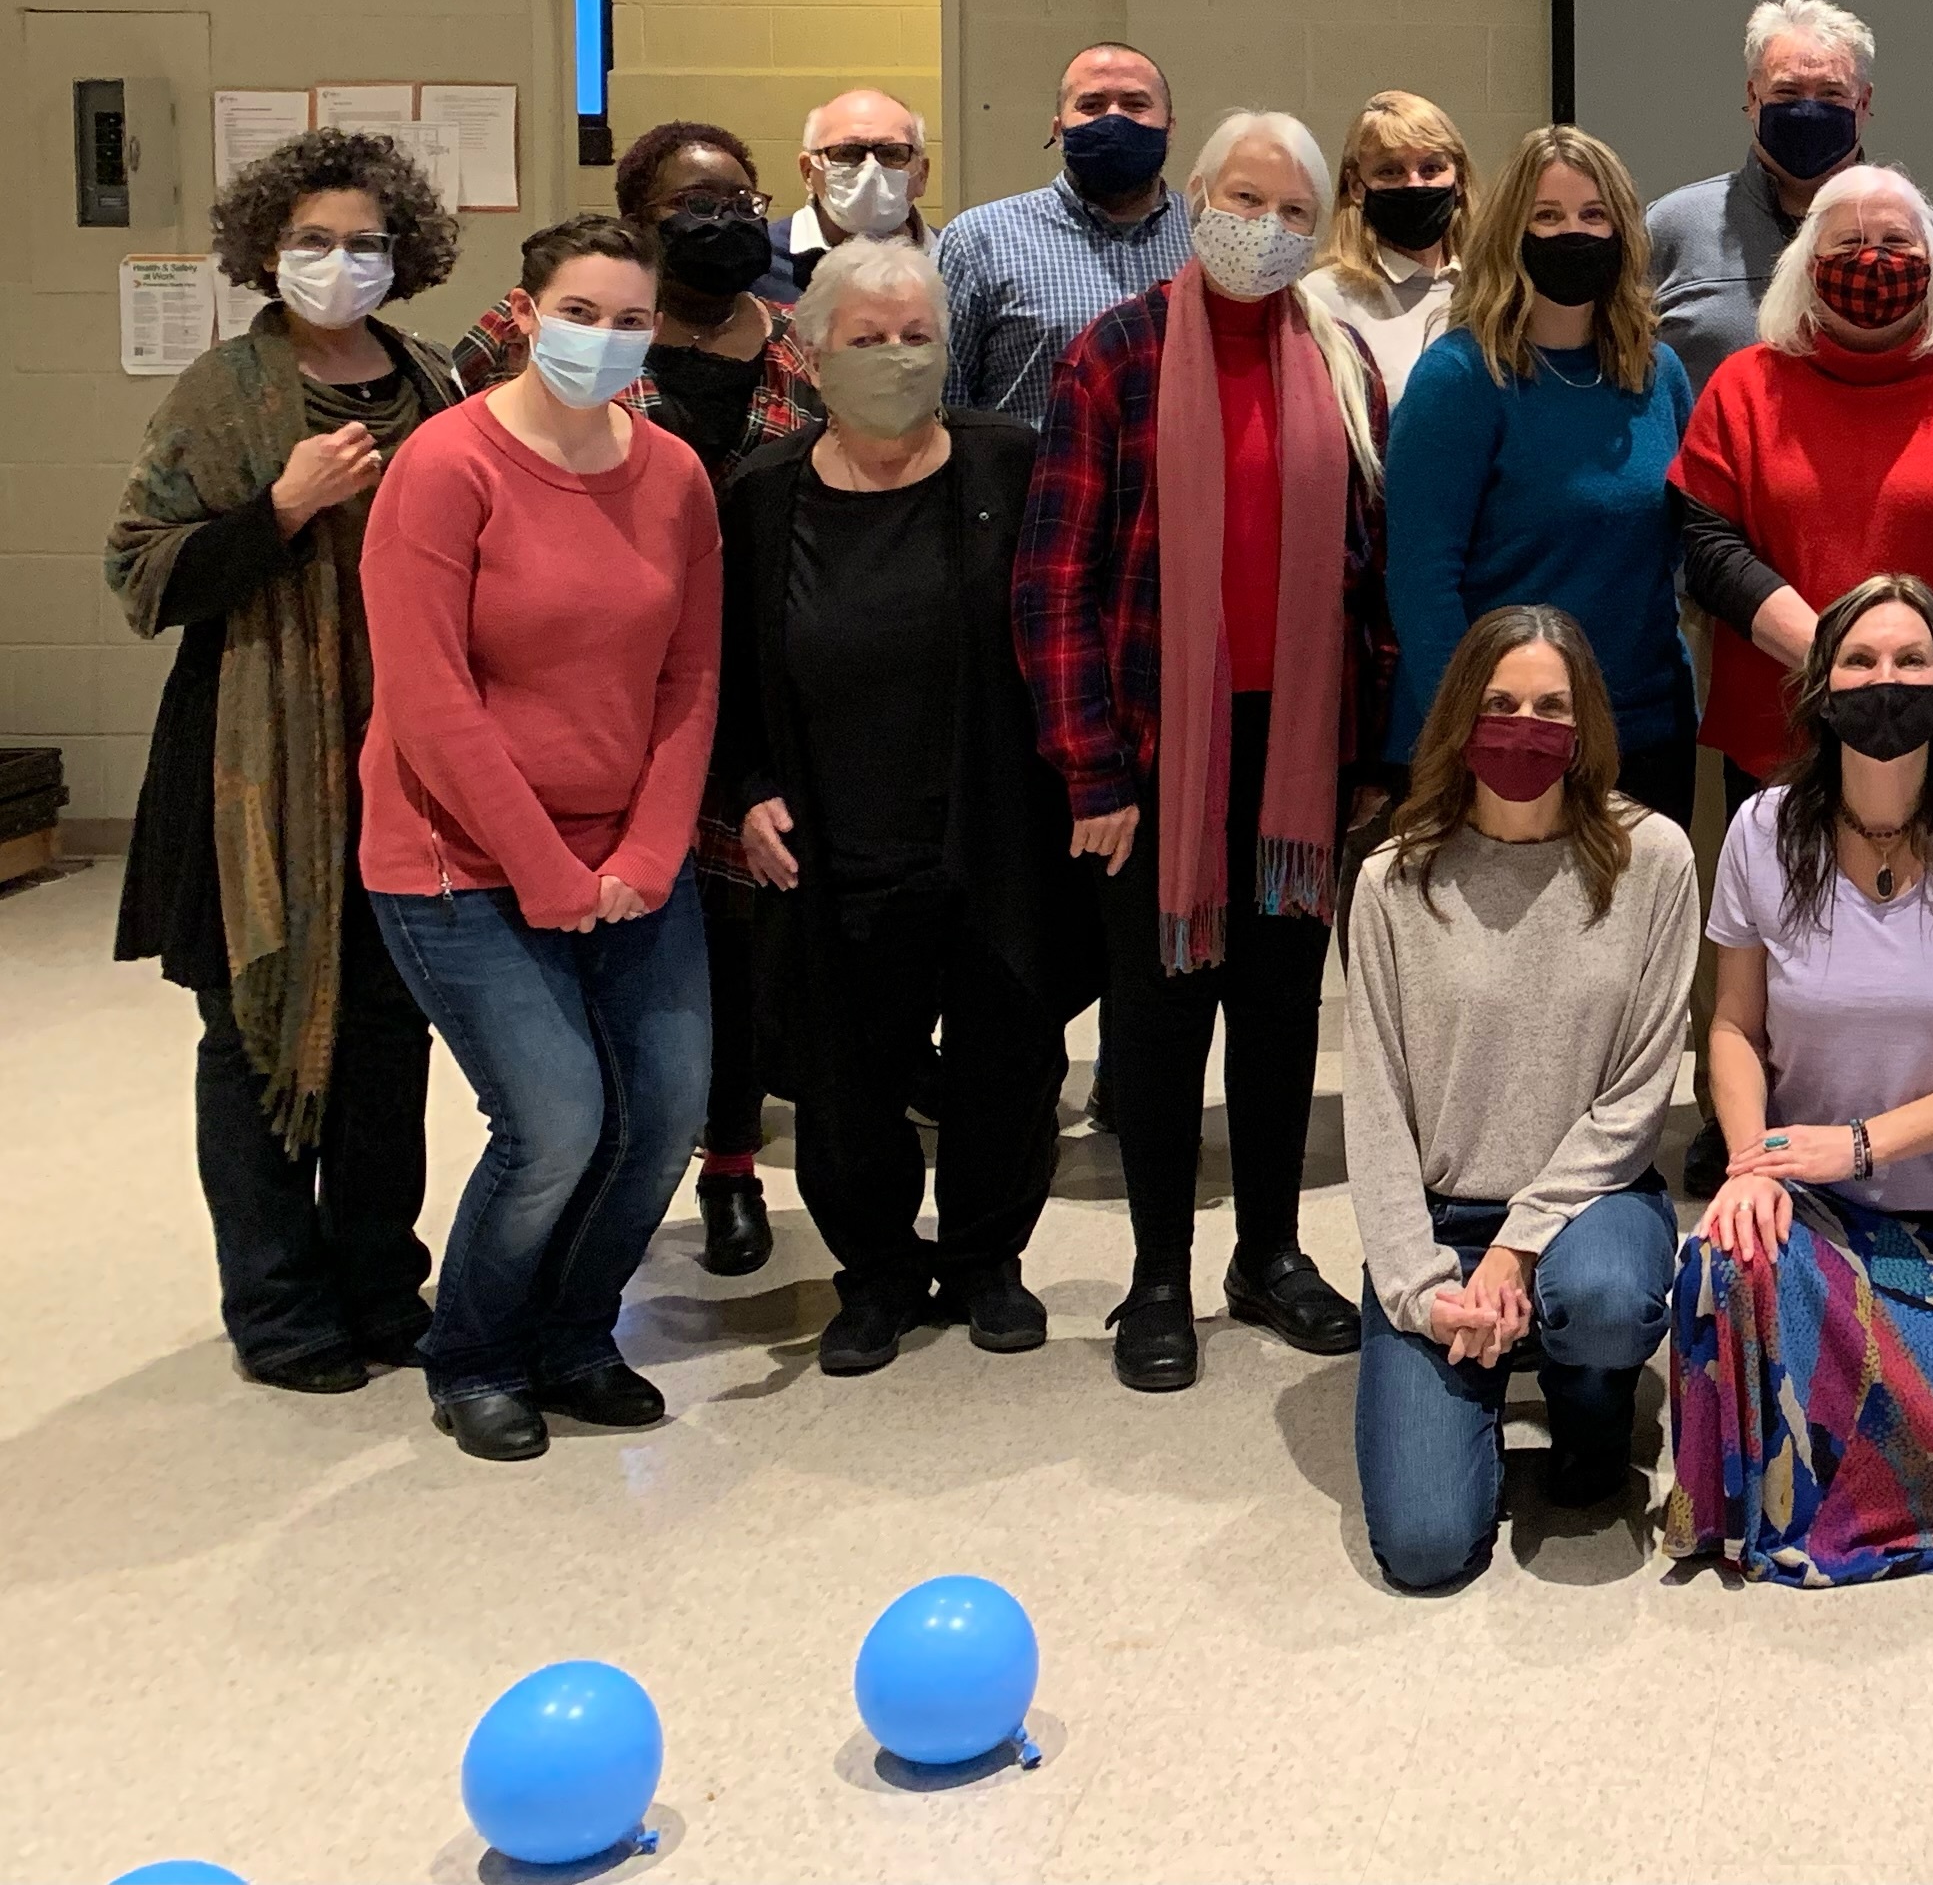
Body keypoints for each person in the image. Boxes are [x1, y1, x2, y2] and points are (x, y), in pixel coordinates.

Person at [1018, 111, 1397, 1392]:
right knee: (1161, 1019)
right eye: (1249, 200)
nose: (1271, 230)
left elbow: (1369, 583)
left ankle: (1271, 1253)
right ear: (1196, 199)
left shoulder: (1343, 363)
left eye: (1297, 212)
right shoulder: (1113, 357)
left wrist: (1371, 766)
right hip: (1151, 750)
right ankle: (1160, 1276)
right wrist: (1092, 772)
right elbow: (1051, 581)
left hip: (1293, 755)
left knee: (1287, 1017)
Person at [356, 215, 721, 1461]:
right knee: (556, 1120)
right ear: (522, 313)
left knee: (666, 1108)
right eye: (580, 312)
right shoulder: (446, 467)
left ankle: (576, 1336)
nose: (604, 339)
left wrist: (651, 854)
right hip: (459, 861)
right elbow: (428, 699)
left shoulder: (672, 474)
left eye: (630, 320)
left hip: (628, 859)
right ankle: (475, 1353)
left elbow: (690, 678)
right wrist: (548, 871)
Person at [107, 130, 466, 1394]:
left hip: (400, 757)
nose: (338, 262)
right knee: (255, 1028)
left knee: (388, 1029)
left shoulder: (429, 382)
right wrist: (282, 508)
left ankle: (380, 1287)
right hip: (248, 769)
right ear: (267, 250)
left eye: (364, 242)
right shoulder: (224, 391)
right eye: (313, 241)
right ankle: (279, 1308)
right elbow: (140, 569)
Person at [1670, 577, 1933, 1583]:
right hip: (1813, 1200)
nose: (1885, 681)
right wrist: (1753, 1163)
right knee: (1721, 1265)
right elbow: (1733, 1024)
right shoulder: (1763, 831)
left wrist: (1864, 1141)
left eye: (1911, 662)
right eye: (1860, 661)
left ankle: (1915, 1396)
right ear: (1821, 688)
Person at [717, 238, 1088, 1373]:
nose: (892, 358)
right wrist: (746, 795)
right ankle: (874, 1276)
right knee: (844, 1081)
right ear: (814, 357)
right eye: (865, 340)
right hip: (832, 844)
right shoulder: (760, 494)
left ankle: (986, 1261)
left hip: (993, 831)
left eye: (914, 337)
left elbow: (1067, 632)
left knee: (1006, 1061)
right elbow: (721, 671)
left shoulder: (1011, 464)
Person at [465, 119, 817, 1277]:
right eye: (685, 204)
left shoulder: (798, 351)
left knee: (739, 955)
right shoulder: (558, 335)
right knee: (592, 953)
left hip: (741, 684)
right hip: (592, 692)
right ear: (635, 213)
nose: (716, 221)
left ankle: (728, 1165)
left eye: (736, 198)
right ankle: (572, 1166)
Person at [1341, 606, 1699, 1590]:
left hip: (1592, 1204)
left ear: (1586, 725)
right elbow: (1372, 1112)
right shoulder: (1391, 876)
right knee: (1421, 1548)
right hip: (1441, 1222)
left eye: (1550, 706)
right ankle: (1476, 1371)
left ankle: (1590, 1408)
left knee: (1604, 1301)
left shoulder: (1653, 858)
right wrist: (1422, 1288)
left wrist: (1518, 1248)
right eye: (1500, 704)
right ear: (1458, 717)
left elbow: (1637, 1096)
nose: (1524, 726)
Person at [1673, 165, 1933, 798]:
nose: (1874, 261)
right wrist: (1834, 661)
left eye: (1896, 243)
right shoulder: (1742, 385)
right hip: (1782, 739)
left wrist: (1915, 667)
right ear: (1807, 265)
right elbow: (1709, 549)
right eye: (1849, 246)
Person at [1385, 123, 1701, 820]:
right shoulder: (1460, 379)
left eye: (1594, 216)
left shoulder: (1658, 375)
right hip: (1501, 738)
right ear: (1511, 234)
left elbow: (1679, 551)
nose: (1574, 235)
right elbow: (1420, 580)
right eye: (1548, 217)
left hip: (1641, 730)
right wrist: (1474, 729)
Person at [1650, 0, 1933, 396]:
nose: (1808, 110)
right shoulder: (1670, 229)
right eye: (1787, 92)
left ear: (1864, 102)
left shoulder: (1924, 240)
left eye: (1831, 94)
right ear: (1752, 98)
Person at [938, 43, 1191, 428]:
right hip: (1032, 486)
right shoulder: (978, 241)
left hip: (1175, 486)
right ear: (1058, 131)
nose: (1114, 119)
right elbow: (943, 409)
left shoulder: (1206, 236)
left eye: (1136, 104)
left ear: (1170, 129)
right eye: (1091, 105)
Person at [1305, 87, 1474, 411]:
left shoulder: (1492, 290)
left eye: (1431, 168)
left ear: (1460, 179)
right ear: (1357, 187)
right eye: (1390, 171)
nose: (1414, 184)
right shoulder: (1325, 298)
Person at [772, 87, 933, 290]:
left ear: (922, 174)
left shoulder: (955, 263)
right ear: (808, 171)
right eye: (847, 153)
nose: (871, 168)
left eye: (892, 153)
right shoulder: (762, 264)